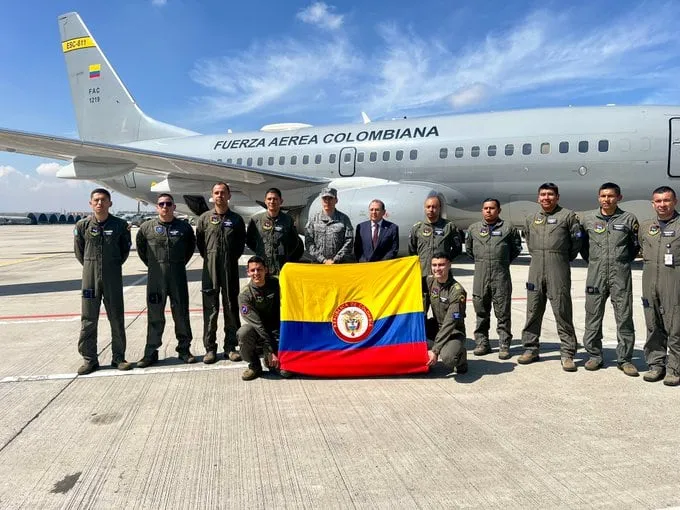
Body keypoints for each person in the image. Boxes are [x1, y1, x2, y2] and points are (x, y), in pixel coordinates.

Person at [518, 183, 582, 371]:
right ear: (538, 198)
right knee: (533, 310)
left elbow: (576, 242)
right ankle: (530, 348)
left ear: (557, 197)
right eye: (543, 195)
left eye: (550, 195)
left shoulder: (568, 216)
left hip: (558, 266)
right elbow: (529, 242)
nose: (546, 198)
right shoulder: (531, 218)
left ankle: (568, 352)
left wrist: (561, 257)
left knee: (562, 310)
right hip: (536, 266)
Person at [580, 183, 640, 376]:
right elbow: (583, 247)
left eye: (611, 196)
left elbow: (634, 247)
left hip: (620, 275)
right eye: (603, 196)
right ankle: (594, 356)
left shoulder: (629, 219)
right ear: (598, 198)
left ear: (619, 197)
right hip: (595, 275)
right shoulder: (588, 219)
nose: (607, 200)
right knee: (593, 316)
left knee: (624, 317)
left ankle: (625, 360)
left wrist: (621, 261)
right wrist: (596, 262)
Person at [73, 188, 132, 374]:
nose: (100, 203)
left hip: (112, 276)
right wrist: (92, 265)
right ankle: (90, 359)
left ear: (110, 203)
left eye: (103, 200)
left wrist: (111, 265)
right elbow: (79, 251)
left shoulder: (120, 225)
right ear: (91, 203)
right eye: (96, 200)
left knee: (116, 317)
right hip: (89, 277)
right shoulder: (82, 225)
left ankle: (119, 358)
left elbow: (124, 251)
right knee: (88, 319)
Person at [136, 194, 197, 367]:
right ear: (157, 207)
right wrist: (155, 266)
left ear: (174, 207)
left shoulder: (184, 228)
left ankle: (184, 350)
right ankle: (150, 352)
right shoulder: (147, 227)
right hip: (156, 278)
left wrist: (177, 263)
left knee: (181, 314)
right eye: (161, 204)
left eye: (168, 204)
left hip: (177, 276)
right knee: (155, 314)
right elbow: (142, 249)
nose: (165, 207)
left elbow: (190, 248)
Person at [465, 198, 522, 359]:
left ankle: (504, 344)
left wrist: (501, 262)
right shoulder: (474, 229)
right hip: (480, 276)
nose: (488, 211)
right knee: (481, 312)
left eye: (492, 208)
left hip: (501, 276)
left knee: (503, 312)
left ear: (498, 210)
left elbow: (516, 248)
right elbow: (469, 251)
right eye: (485, 208)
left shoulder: (508, 228)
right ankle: (482, 343)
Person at [196, 182, 246, 364]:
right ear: (212, 196)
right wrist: (212, 257)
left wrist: (228, 258)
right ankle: (210, 348)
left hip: (230, 269)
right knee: (211, 309)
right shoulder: (204, 219)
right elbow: (201, 244)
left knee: (232, 307)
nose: (220, 196)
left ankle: (230, 347)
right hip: (210, 270)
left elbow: (240, 244)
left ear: (229, 195)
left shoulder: (237, 220)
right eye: (216, 193)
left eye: (223, 193)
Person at [639, 186, 680, 386]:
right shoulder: (646, 226)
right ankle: (656, 365)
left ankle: (674, 368)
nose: (662, 205)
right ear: (653, 203)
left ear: (675, 202)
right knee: (653, 322)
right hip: (650, 280)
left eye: (666, 200)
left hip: (674, 280)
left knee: (675, 325)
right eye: (658, 201)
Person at [423, 252, 468, 374]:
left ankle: (461, 357)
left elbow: (450, 323)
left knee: (448, 358)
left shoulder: (457, 292)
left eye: (441, 265)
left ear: (449, 265)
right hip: (435, 326)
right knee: (411, 341)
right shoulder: (430, 281)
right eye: (434, 265)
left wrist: (436, 350)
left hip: (453, 331)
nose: (437, 269)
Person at [237, 256, 281, 381]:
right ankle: (254, 365)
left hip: (276, 331)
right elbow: (258, 325)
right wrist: (271, 349)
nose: (256, 273)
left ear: (265, 270)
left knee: (284, 372)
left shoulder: (276, 284)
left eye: (259, 269)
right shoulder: (245, 295)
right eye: (253, 270)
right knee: (243, 332)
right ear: (248, 272)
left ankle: (271, 361)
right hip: (259, 333)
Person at [246, 187, 303, 275]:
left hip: (281, 266)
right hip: (262, 266)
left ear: (281, 201)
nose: (272, 201)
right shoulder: (256, 220)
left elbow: (294, 241)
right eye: (269, 199)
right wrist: (260, 251)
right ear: (265, 201)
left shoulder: (288, 220)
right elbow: (249, 240)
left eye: (275, 199)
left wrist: (284, 254)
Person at [408, 193, 462, 275]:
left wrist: (446, 260)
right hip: (423, 273)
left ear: (439, 208)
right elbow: (412, 250)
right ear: (424, 208)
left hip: (442, 273)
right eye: (428, 207)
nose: (431, 209)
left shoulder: (449, 226)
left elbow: (457, 248)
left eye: (434, 207)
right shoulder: (417, 228)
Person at [305, 187, 354, 264]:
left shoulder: (344, 219)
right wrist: (323, 260)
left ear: (336, 200)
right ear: (321, 201)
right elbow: (309, 242)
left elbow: (349, 241)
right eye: (325, 198)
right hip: (318, 264)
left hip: (338, 264)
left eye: (330, 198)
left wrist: (336, 259)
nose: (327, 201)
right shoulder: (313, 219)